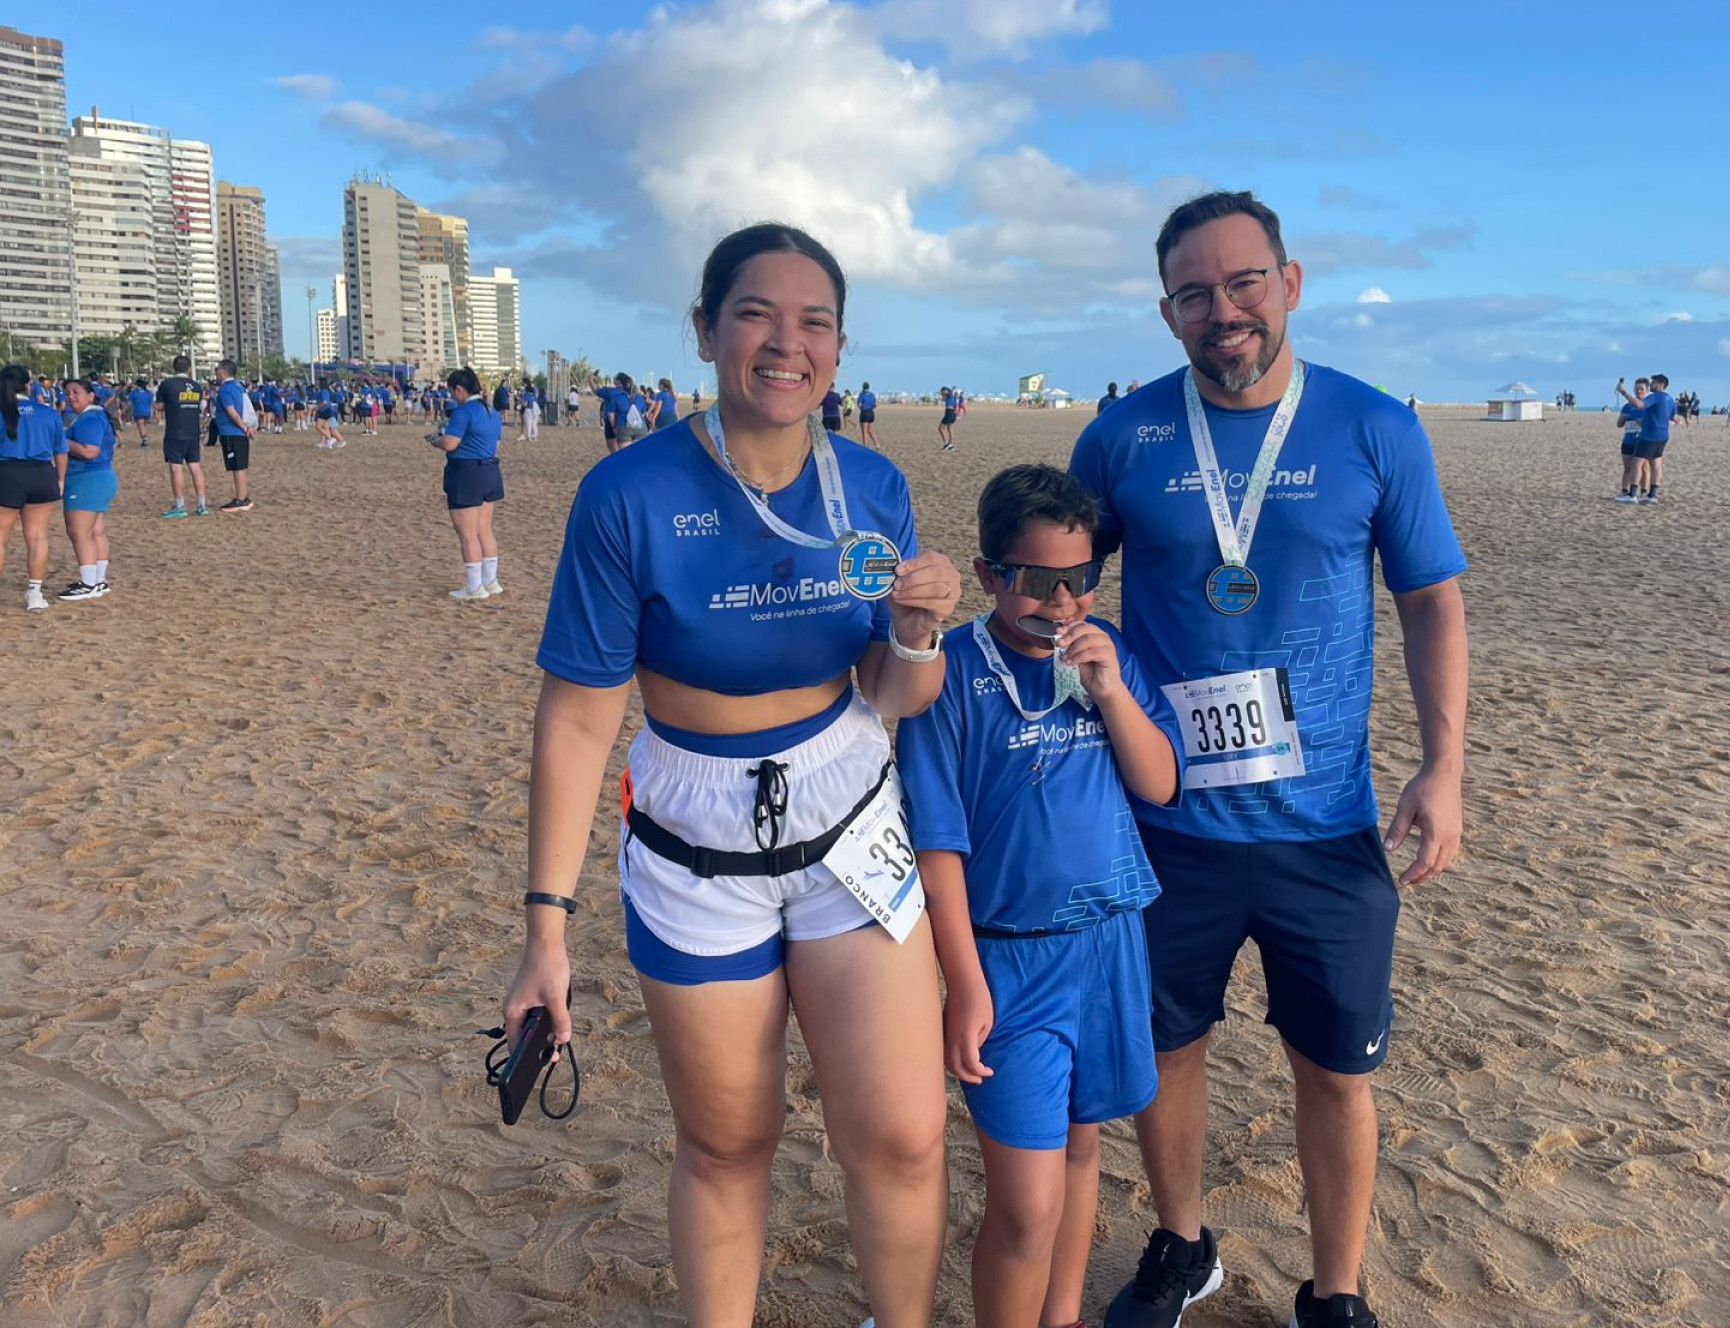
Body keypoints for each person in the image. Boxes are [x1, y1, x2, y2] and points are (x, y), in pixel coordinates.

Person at [502, 223, 963, 1327]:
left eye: (814, 322)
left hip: (846, 805)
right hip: (693, 827)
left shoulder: (874, 484)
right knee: (727, 1142)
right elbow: (575, 721)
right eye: (756, 313)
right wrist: (545, 931)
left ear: (840, 349)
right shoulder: (629, 494)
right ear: (705, 329)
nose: (784, 342)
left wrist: (914, 634)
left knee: (900, 1136)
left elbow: (897, 696)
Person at [1072, 190, 1468, 1328]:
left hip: (1327, 827)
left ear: (1290, 283)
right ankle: (1182, 1245)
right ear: (1166, 312)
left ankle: (1334, 1291)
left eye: (1245, 282)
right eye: (1195, 292)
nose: (1224, 309)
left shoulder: (1372, 426)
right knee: (1169, 1050)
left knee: (1337, 1072)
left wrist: (1442, 769)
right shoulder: (1123, 436)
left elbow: (1431, 603)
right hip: (1164, 825)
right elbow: (1060, 580)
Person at [899, 464, 1181, 1328]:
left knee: (1084, 1147)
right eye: (1039, 581)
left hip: (1109, 940)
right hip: (1009, 958)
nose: (1062, 602)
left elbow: (1162, 784)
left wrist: (1110, 692)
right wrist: (966, 982)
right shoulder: (947, 677)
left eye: (1082, 579)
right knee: (1025, 1203)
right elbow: (937, 846)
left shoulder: (1111, 653)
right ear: (989, 575)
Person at [430, 367, 505, 601]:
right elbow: (496, 444)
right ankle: (490, 582)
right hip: (490, 470)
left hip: (466, 472)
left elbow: (450, 444)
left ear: (459, 390)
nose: (452, 396)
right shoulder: (490, 411)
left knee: (467, 533)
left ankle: (474, 587)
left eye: (452, 391)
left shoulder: (464, 413)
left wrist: (435, 441)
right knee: (484, 530)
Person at [0, 363, 67, 612]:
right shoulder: (47, 413)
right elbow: (61, 451)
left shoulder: (3, 410)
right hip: (41, 473)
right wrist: (60, 479)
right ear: (28, 385)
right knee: (37, 536)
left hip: (7, 473)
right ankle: (35, 593)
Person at [57, 378, 118, 601]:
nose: (71, 397)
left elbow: (89, 451)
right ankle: (97, 580)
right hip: (100, 477)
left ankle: (89, 583)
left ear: (91, 395)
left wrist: (61, 439)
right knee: (95, 531)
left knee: (79, 532)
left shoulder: (89, 418)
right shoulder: (95, 416)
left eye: (76, 392)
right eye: (68, 393)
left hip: (87, 478)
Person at [155, 355, 211, 518]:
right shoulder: (196, 386)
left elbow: (159, 406)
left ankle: (180, 505)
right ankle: (201, 505)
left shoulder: (167, 385)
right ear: (188, 369)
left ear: (174, 368)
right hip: (193, 431)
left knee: (176, 467)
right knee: (195, 467)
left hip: (175, 432)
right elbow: (200, 406)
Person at [1617, 373, 1675, 504]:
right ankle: (1652, 495)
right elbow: (1674, 418)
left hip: (1649, 436)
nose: (1651, 384)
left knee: (1637, 464)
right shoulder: (1670, 399)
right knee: (1656, 464)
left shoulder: (1655, 397)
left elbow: (1639, 405)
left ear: (1660, 384)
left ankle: (1633, 495)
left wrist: (1623, 392)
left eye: (1653, 382)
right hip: (1662, 436)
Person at [212, 360, 256, 512]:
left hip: (232, 431)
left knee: (237, 466)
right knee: (241, 465)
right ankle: (242, 496)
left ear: (223, 372)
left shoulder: (225, 389)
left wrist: (244, 428)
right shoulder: (239, 386)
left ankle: (241, 498)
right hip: (239, 432)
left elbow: (232, 413)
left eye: (217, 370)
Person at [1614, 379, 1650, 503]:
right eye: (1637, 389)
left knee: (1644, 467)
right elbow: (1619, 424)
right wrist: (1623, 417)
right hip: (1628, 440)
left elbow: (1649, 424)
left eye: (1642, 389)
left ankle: (1644, 491)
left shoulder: (1647, 405)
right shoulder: (1627, 406)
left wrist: (1638, 420)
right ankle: (1625, 490)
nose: (1639, 391)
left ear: (1647, 390)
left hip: (1642, 440)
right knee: (1627, 467)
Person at [594, 373, 637, 454]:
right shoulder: (633, 393)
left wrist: (590, 379)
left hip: (613, 422)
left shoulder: (611, 392)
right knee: (626, 447)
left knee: (613, 448)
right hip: (629, 423)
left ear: (618, 381)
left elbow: (595, 390)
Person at [128, 379, 154, 447]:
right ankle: (145, 438)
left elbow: (129, 403)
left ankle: (144, 439)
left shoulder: (133, 393)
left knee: (140, 426)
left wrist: (123, 411)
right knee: (145, 425)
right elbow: (152, 403)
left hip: (138, 411)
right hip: (147, 412)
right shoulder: (149, 393)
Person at [858, 380, 880, 449]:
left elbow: (859, 405)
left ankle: (865, 447)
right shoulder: (872, 395)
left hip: (864, 412)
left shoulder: (862, 394)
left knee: (864, 431)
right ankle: (877, 443)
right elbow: (875, 405)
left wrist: (862, 407)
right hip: (871, 412)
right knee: (870, 430)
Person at [937, 385, 958, 451]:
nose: (942, 393)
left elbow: (950, 393)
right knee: (950, 428)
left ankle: (946, 443)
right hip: (951, 413)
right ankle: (951, 445)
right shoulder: (949, 397)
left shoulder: (950, 395)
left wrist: (951, 389)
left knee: (940, 428)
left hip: (949, 413)